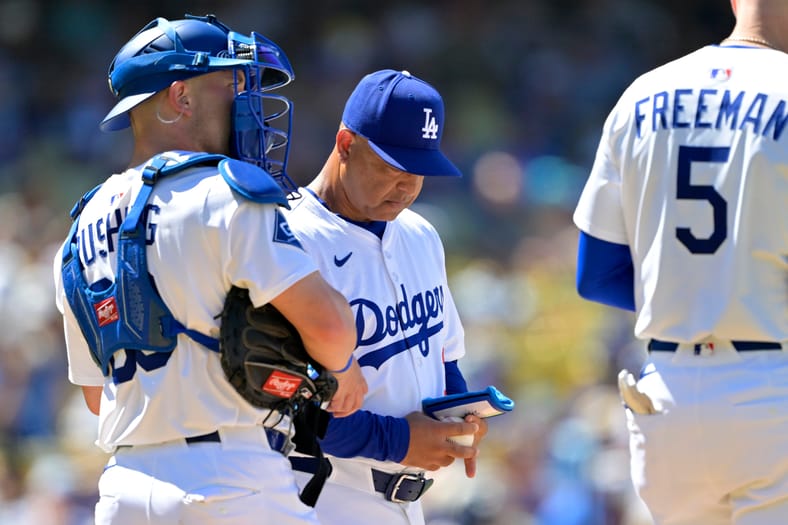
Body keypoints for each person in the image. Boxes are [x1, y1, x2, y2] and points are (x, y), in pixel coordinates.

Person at [52, 14, 366, 525]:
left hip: (125, 489)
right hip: (231, 481)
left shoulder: (80, 226)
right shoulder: (225, 193)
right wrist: (343, 369)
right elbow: (332, 334)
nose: (246, 103)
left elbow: (95, 394)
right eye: (231, 86)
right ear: (181, 96)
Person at [573, 0, 788, 523]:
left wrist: (695, 297)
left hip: (666, 397)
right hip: (773, 388)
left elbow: (597, 273)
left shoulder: (642, 93)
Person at [283, 69, 488, 525]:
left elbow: (444, 357)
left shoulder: (420, 234)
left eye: (420, 170)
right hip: (319, 498)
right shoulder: (288, 240)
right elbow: (285, 405)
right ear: (346, 144)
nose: (408, 186)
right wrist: (400, 441)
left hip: (409, 503)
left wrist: (461, 419)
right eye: (394, 167)